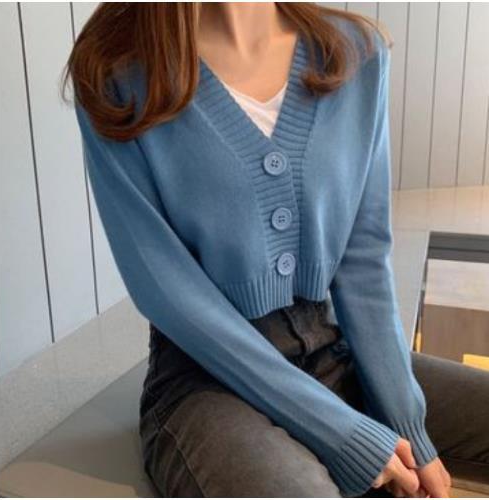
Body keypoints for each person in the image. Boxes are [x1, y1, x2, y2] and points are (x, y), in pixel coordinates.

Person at [63, 3, 489, 497]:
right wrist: (343, 432)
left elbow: (364, 258)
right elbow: (169, 292)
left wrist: (405, 421)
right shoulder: (117, 76)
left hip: (334, 352)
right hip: (207, 381)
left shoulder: (354, 52)